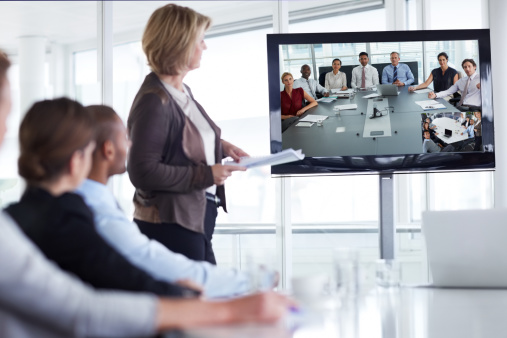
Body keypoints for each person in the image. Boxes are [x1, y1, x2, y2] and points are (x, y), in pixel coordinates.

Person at [0, 51, 291, 337]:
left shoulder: (19, 216)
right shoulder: (75, 216)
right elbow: (98, 299)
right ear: (82, 158)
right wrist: (226, 301)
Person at [76, 105, 277, 299]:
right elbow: (159, 263)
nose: (130, 145)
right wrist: (253, 280)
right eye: (125, 138)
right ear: (108, 149)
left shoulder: (89, 201)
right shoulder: (98, 211)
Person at [6, 98, 196, 298]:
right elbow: (113, 278)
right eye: (89, 152)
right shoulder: (69, 220)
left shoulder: (12, 216)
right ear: (75, 161)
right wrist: (180, 294)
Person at [128, 4, 248, 265]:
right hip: (171, 223)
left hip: (196, 215)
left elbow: (182, 139)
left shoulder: (182, 92)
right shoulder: (154, 100)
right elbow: (142, 171)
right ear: (179, 44)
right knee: (196, 298)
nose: (204, 47)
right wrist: (207, 174)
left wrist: (223, 147)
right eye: (200, 40)